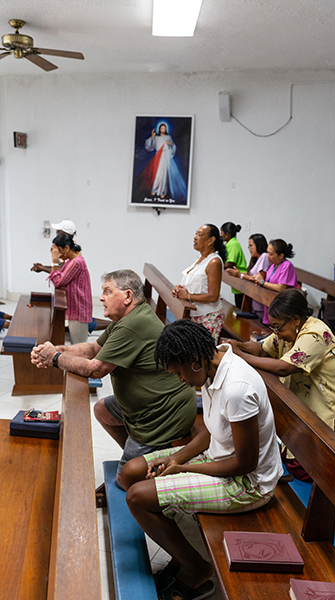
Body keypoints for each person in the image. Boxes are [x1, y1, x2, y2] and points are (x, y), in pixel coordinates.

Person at [120, 320, 283, 599]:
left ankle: (194, 567)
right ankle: (179, 543)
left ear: (193, 360)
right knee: (132, 471)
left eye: (179, 373)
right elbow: (211, 430)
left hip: (247, 483)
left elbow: (245, 464)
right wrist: (175, 458)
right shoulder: (210, 365)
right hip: (219, 457)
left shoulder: (236, 388)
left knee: (137, 497)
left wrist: (184, 467)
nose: (180, 380)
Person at [31, 269, 197, 489]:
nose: (101, 298)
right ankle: (136, 460)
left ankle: (147, 469)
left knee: (124, 480)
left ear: (128, 296)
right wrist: (57, 349)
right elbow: (92, 348)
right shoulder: (127, 319)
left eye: (107, 292)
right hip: (143, 406)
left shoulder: (133, 324)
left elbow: (95, 369)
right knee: (103, 409)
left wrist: (55, 358)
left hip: (161, 414)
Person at [229, 288, 335, 481]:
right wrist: (238, 346)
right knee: (288, 457)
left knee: (301, 470)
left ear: (295, 319)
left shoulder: (315, 334)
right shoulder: (289, 331)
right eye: (273, 327)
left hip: (334, 409)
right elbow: (261, 348)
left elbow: (284, 368)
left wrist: (242, 357)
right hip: (309, 404)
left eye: (278, 327)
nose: (276, 333)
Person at [172, 224, 226, 340]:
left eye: (199, 235)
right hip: (194, 314)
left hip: (208, 316)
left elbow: (213, 296)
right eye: (195, 234)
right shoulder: (200, 259)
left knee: (203, 355)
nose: (195, 237)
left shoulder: (214, 262)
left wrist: (187, 296)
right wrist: (179, 290)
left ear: (211, 240)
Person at [46, 233, 92, 345]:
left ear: (67, 248)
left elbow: (58, 282)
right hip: (75, 307)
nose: (57, 254)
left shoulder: (76, 262)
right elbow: (59, 277)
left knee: (79, 346)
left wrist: (54, 261)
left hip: (79, 309)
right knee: (75, 343)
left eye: (58, 251)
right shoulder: (70, 261)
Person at [226, 233, 270, 320]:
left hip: (260, 296)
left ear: (258, 245)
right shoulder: (256, 259)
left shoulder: (264, 257)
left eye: (251, 246)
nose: (249, 249)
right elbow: (251, 274)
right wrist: (238, 273)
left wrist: (240, 275)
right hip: (253, 297)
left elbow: (259, 278)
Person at [254, 238, 297, 325]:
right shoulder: (273, 265)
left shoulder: (287, 266)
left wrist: (262, 282)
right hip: (270, 302)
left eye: (271, 254)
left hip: (282, 307)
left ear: (281, 256)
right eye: (267, 252)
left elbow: (281, 287)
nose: (267, 256)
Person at [144, 123, 186, 200]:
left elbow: (173, 146)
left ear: (166, 129)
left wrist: (171, 144)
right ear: (159, 129)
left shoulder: (168, 137)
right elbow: (150, 146)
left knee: (164, 175)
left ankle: (162, 191)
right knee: (157, 174)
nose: (163, 130)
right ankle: (155, 189)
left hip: (166, 157)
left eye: (164, 128)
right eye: (161, 128)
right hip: (158, 156)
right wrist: (153, 136)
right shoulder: (156, 138)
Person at [220, 222, 247, 308]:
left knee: (240, 305)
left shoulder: (233, 244)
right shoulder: (229, 243)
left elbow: (230, 263)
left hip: (240, 277)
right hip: (236, 278)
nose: (220, 235)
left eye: (222, 232)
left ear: (227, 234)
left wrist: (217, 266)